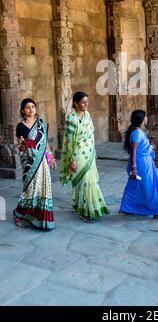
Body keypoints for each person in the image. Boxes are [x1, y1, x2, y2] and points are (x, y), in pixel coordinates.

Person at [59, 91, 109, 223]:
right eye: (83, 102)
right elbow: (69, 142)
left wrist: (93, 151)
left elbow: (91, 134)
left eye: (87, 101)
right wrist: (72, 160)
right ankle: (85, 211)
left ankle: (87, 207)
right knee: (83, 182)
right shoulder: (71, 119)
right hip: (77, 154)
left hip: (89, 153)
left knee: (90, 181)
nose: (86, 104)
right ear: (76, 103)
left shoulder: (87, 115)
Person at [120, 110, 158, 218]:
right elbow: (133, 152)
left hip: (145, 162)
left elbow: (139, 148)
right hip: (141, 164)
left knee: (135, 185)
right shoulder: (137, 134)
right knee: (148, 186)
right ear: (142, 120)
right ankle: (156, 210)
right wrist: (134, 168)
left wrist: (150, 146)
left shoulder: (138, 132)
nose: (147, 119)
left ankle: (128, 206)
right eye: (146, 117)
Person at [13, 98, 55, 230]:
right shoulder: (20, 127)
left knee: (43, 190)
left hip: (42, 163)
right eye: (27, 107)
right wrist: (22, 145)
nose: (31, 109)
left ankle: (40, 218)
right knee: (30, 192)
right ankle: (19, 214)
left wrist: (51, 157)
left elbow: (45, 142)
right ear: (22, 110)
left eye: (33, 107)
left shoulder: (41, 124)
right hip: (29, 164)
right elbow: (20, 147)